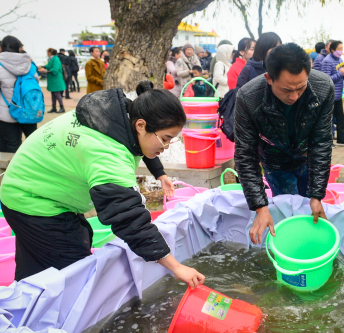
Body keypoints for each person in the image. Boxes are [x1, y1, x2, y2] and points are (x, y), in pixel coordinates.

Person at [0, 81, 205, 288]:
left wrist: (159, 174)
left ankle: (23, 310)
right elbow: (130, 220)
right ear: (141, 125)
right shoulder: (108, 155)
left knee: (38, 268)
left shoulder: (118, 115)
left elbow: (145, 143)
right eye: (165, 139)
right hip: (33, 200)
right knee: (74, 277)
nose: (166, 147)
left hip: (26, 185)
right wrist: (177, 267)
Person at [234, 43, 334, 245]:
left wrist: (317, 194)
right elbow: (245, 156)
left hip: (307, 156)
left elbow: (321, 143)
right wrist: (260, 207)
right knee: (288, 213)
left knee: (311, 209)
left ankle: (310, 248)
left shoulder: (323, 87)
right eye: (287, 90)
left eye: (300, 87)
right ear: (269, 78)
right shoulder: (248, 97)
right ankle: (291, 247)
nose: (294, 96)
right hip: (275, 161)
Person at [0, 35, 39, 152]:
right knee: (32, 143)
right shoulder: (30, 66)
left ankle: (8, 170)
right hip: (29, 111)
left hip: (6, 113)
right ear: (19, 48)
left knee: (10, 144)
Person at [321, 40, 344, 146]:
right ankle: (328, 141)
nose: (341, 51)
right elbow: (327, 79)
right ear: (332, 49)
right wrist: (340, 74)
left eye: (342, 49)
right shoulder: (327, 61)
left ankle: (341, 139)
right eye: (339, 49)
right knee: (329, 120)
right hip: (330, 95)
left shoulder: (340, 60)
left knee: (340, 118)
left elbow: (341, 76)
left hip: (338, 95)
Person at [38, 48, 66, 113]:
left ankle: (62, 107)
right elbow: (48, 66)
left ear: (50, 52)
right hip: (53, 79)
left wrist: (44, 70)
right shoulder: (51, 59)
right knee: (53, 94)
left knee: (57, 94)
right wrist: (42, 67)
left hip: (56, 80)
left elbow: (55, 69)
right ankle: (54, 107)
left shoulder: (56, 59)